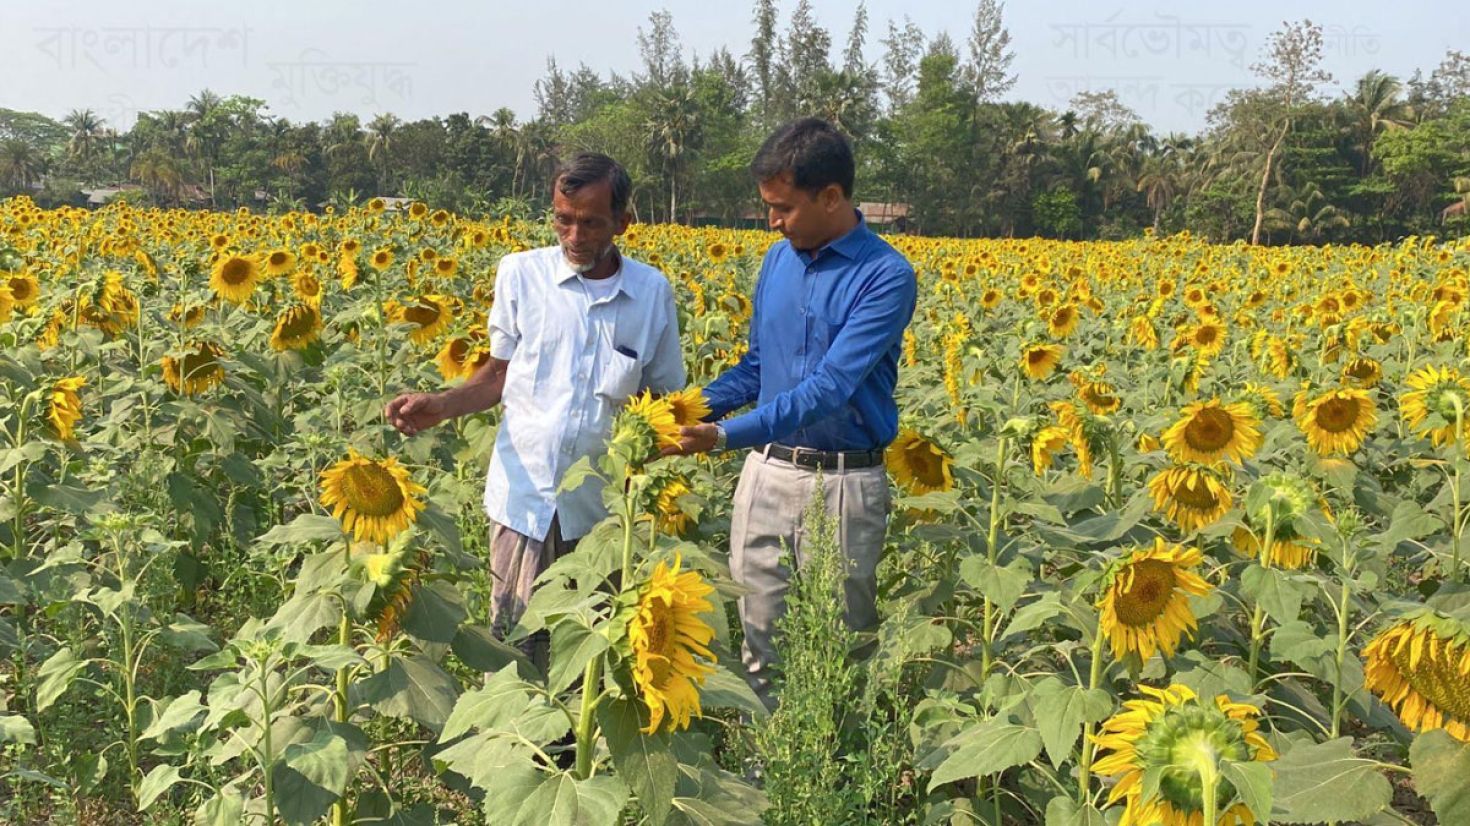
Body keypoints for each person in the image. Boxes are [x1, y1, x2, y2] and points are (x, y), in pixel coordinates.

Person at [385, 153, 685, 673]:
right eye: (563, 219)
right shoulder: (521, 275)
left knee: (588, 651)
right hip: (527, 498)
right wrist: (441, 405)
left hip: (603, 510)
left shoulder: (650, 293)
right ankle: (519, 751)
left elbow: (662, 400)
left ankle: (572, 756)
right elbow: (498, 375)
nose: (574, 235)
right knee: (516, 646)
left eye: (591, 222)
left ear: (623, 223)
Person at [663, 118, 918, 709]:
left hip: (845, 482)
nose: (773, 222)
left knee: (842, 641)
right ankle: (765, 773)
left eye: (783, 208)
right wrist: (685, 410)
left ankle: (829, 777)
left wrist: (722, 435)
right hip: (770, 473)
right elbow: (757, 367)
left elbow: (829, 386)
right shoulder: (778, 262)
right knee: (760, 635)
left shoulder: (885, 275)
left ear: (831, 196)